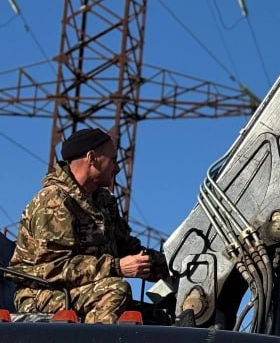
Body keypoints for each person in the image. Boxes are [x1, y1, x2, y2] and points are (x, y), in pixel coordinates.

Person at [10, 127, 167, 323]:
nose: (117, 168)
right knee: (116, 291)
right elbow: (53, 268)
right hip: (42, 292)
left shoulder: (103, 202)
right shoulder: (54, 201)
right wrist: (116, 267)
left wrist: (174, 266)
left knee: (158, 317)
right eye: (112, 160)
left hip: (84, 290)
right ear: (92, 158)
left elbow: (128, 248)